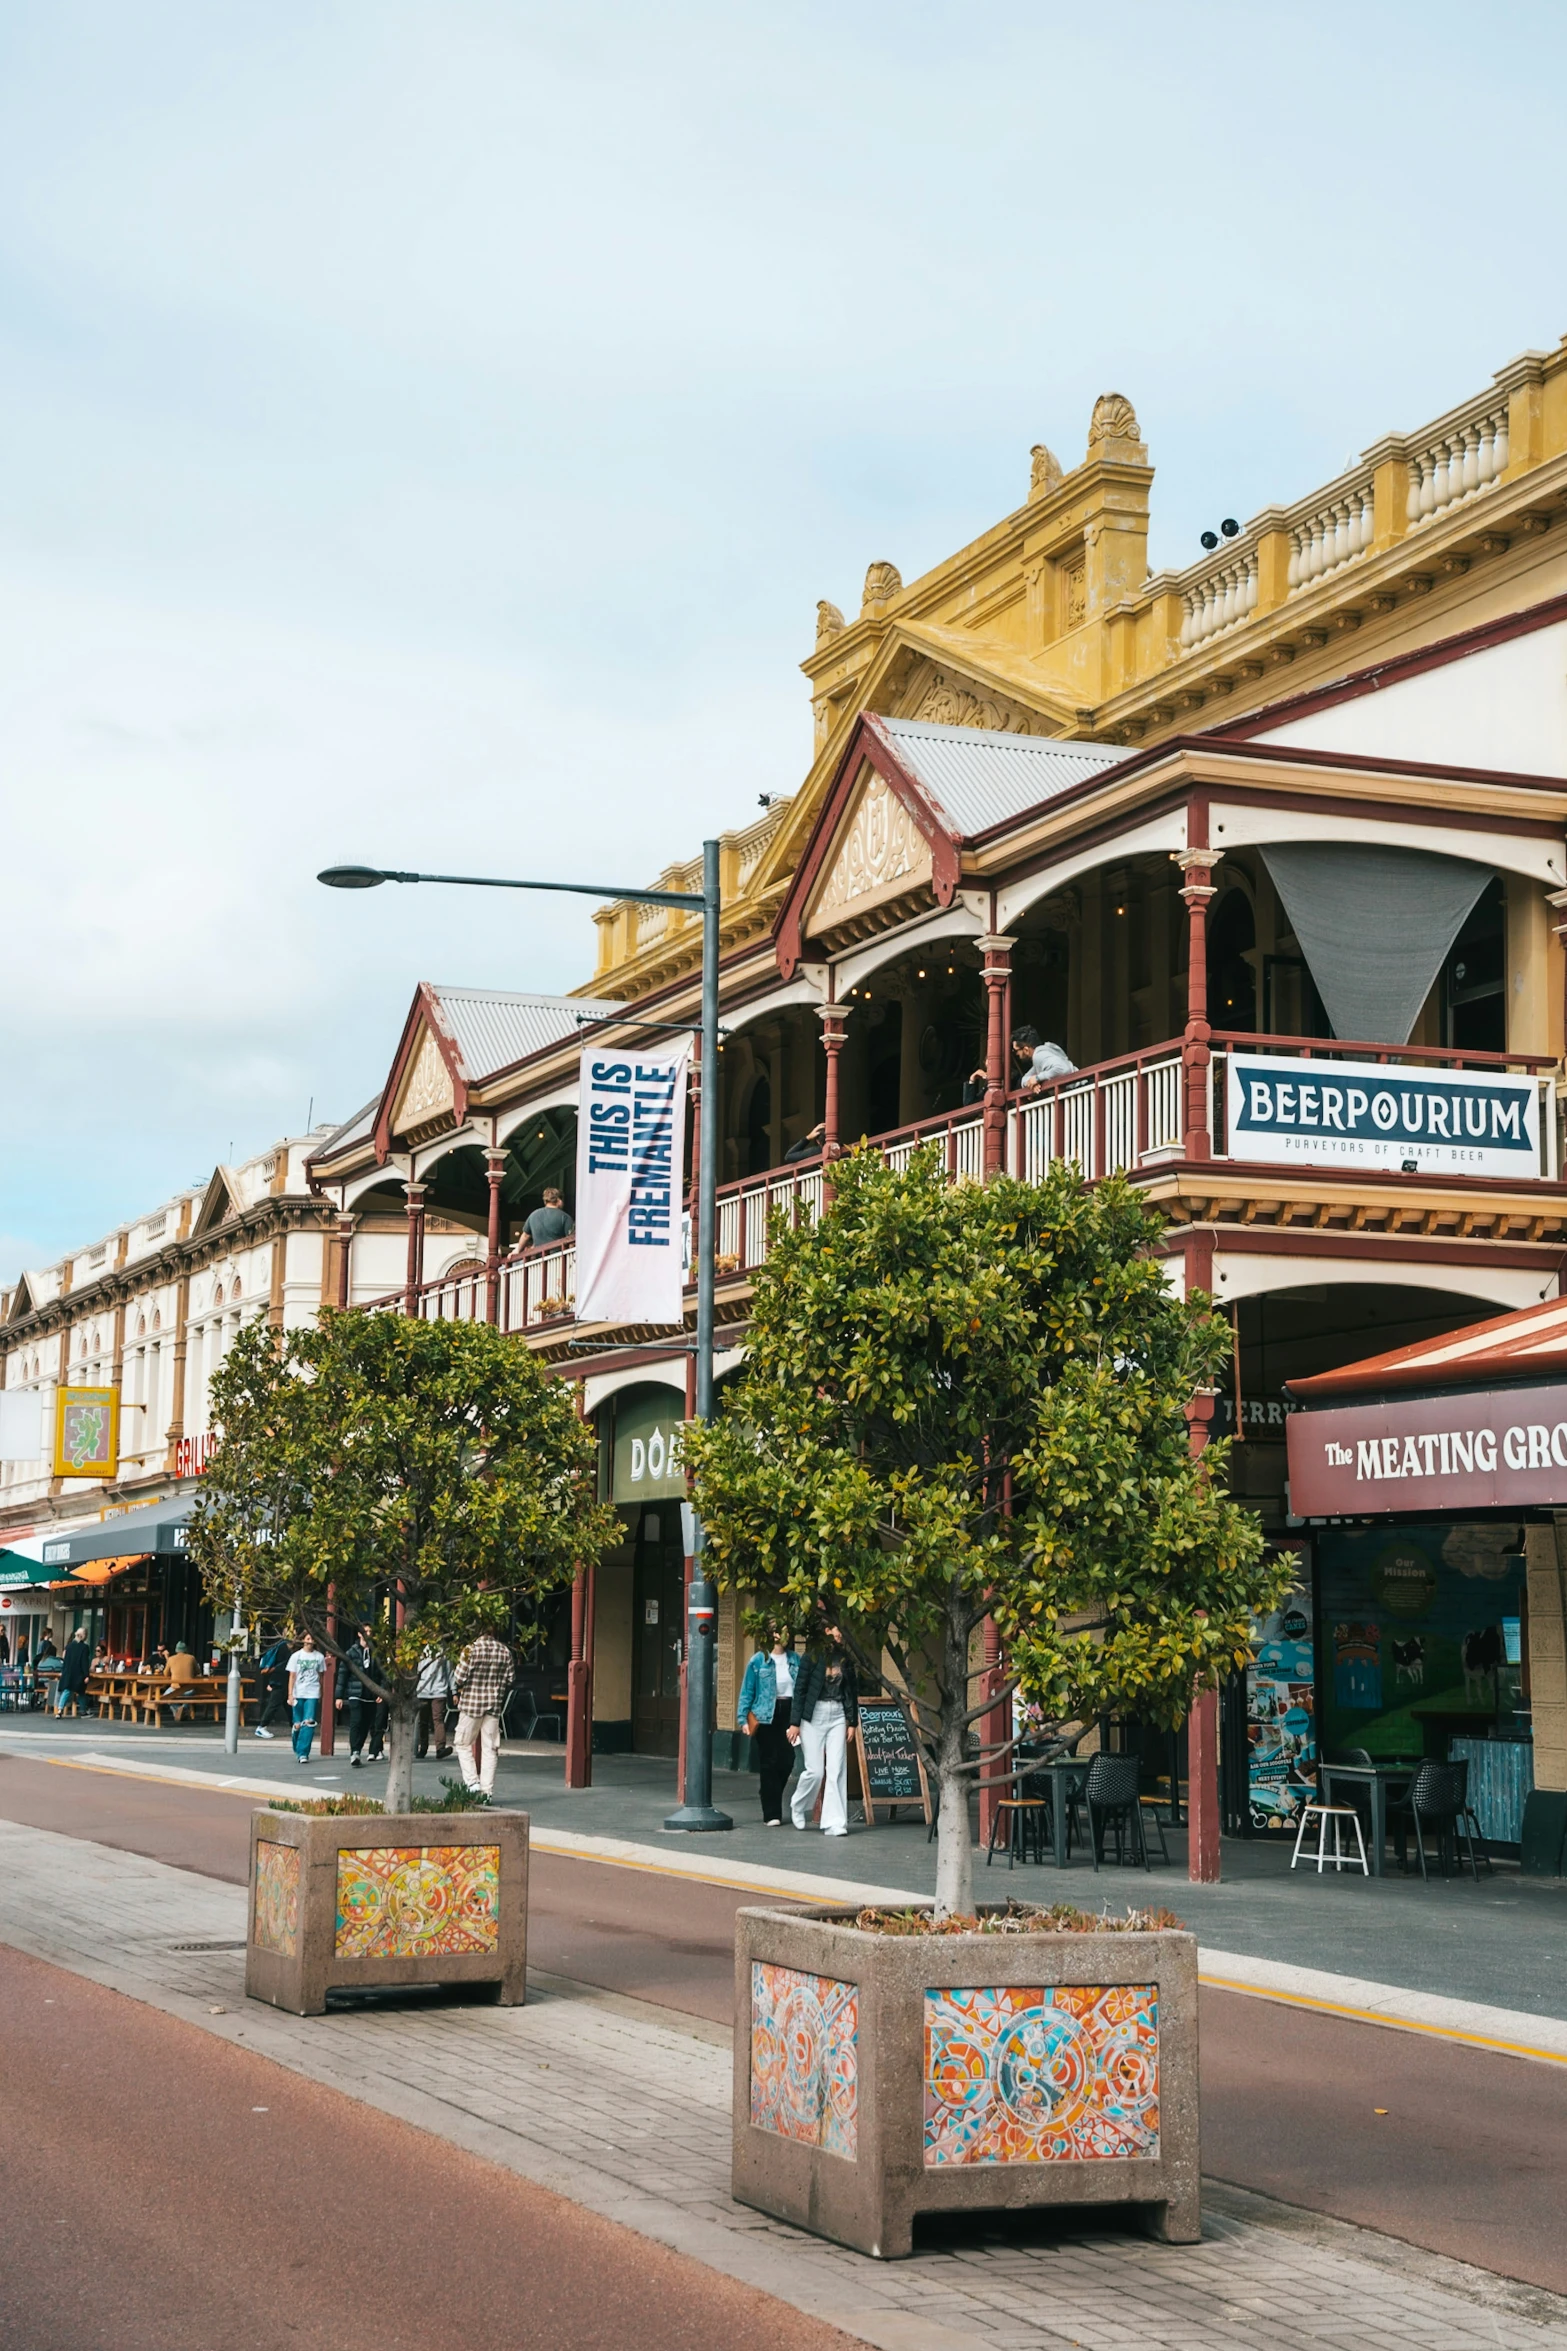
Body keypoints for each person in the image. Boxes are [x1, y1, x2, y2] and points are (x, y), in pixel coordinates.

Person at [788, 1627, 858, 1838]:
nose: (839, 1636)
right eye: (836, 1632)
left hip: (837, 1714)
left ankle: (834, 1822)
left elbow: (852, 1690)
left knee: (836, 1769)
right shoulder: (811, 1656)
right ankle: (798, 1805)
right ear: (825, 1631)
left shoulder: (846, 1658)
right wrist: (795, 1723)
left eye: (841, 1633)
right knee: (815, 1771)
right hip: (813, 1715)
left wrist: (852, 1721)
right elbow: (800, 1689)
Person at [737, 1627, 801, 1826]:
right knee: (769, 1763)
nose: (781, 1636)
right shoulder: (758, 1660)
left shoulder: (795, 1659)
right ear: (769, 1635)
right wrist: (742, 1719)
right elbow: (747, 1690)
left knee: (787, 1760)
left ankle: (768, 1792)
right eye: (776, 1631)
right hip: (765, 1715)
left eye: (785, 1632)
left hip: (789, 1713)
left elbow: (802, 1688)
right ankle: (771, 1813)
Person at [451, 1629, 515, 1799]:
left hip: (471, 1705)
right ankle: (487, 1792)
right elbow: (511, 1678)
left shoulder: (471, 1650)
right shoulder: (504, 1651)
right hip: (494, 1706)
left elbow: (458, 1677)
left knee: (462, 1743)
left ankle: (472, 1782)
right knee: (490, 1749)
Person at [338, 1624, 386, 1766]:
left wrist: (381, 1691)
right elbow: (343, 1674)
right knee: (356, 1721)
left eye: (370, 1631)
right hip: (355, 1692)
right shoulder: (351, 1652)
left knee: (366, 1724)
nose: (368, 1634)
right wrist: (339, 1696)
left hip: (370, 1694)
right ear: (359, 1634)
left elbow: (383, 1674)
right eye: (365, 1631)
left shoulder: (376, 1652)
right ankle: (355, 1751)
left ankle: (360, 1748)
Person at [286, 1630, 327, 1764]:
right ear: (303, 1640)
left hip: (312, 1692)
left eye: (312, 1639)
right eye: (308, 1638)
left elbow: (321, 1676)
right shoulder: (296, 1656)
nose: (310, 1641)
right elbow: (292, 1676)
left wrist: (321, 1692)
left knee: (308, 1722)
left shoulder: (319, 1657)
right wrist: (290, 1694)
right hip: (298, 1692)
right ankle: (296, 1739)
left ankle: (303, 1753)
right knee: (298, 1724)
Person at [415, 1644, 454, 1761]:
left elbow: (417, 1671)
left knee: (424, 1721)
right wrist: (454, 1690)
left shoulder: (420, 1651)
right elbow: (449, 1672)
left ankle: (423, 1748)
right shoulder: (444, 1652)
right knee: (438, 1719)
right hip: (438, 1690)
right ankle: (439, 1748)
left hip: (424, 1689)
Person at [1011, 1024, 1076, 1092]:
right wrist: (1032, 1083)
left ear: (1026, 1050)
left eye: (1016, 1051)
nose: (1016, 1054)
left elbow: (1064, 1069)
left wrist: (1037, 1078)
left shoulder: (1039, 1056)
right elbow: (1024, 1079)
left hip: (1077, 1089)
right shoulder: (1045, 1050)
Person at [252, 1631, 291, 1739]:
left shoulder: (280, 1646)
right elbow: (283, 1664)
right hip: (280, 1680)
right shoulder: (284, 1647)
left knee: (288, 1705)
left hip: (279, 1679)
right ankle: (261, 1726)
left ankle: (294, 1726)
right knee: (274, 1704)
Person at [55, 1627, 94, 1717]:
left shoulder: (68, 1647)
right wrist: (86, 1675)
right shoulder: (84, 1647)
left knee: (67, 1691)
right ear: (83, 1636)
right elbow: (84, 1662)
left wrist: (63, 1672)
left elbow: (65, 1661)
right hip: (78, 1674)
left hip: (68, 1672)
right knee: (81, 1692)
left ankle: (60, 1710)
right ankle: (83, 1711)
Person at [162, 1640, 199, 1723]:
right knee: (190, 1695)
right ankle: (183, 1709)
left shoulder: (171, 1659)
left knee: (165, 1697)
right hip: (189, 1690)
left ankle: (178, 1710)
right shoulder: (191, 1658)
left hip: (175, 1688)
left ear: (176, 1650)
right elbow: (198, 1672)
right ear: (185, 1649)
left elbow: (165, 1674)